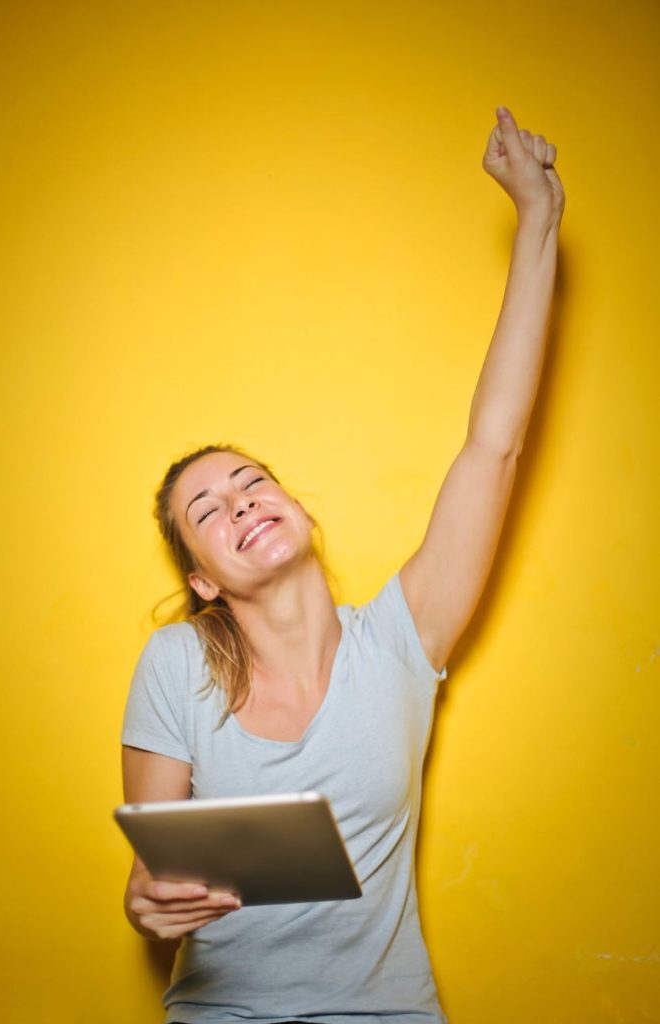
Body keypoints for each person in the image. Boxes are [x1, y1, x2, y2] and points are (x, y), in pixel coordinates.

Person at [121, 106, 565, 1024]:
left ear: (298, 511)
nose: (241, 502)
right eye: (208, 510)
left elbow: (494, 444)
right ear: (203, 579)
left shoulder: (402, 640)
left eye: (252, 482)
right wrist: (145, 904)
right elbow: (152, 885)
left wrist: (539, 217)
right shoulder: (175, 665)